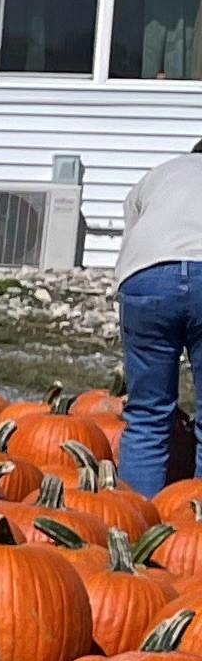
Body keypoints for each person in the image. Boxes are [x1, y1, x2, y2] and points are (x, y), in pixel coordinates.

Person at [121, 138, 202, 495]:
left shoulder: (160, 175)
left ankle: (134, 525)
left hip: (146, 276)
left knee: (147, 413)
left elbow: (134, 236)